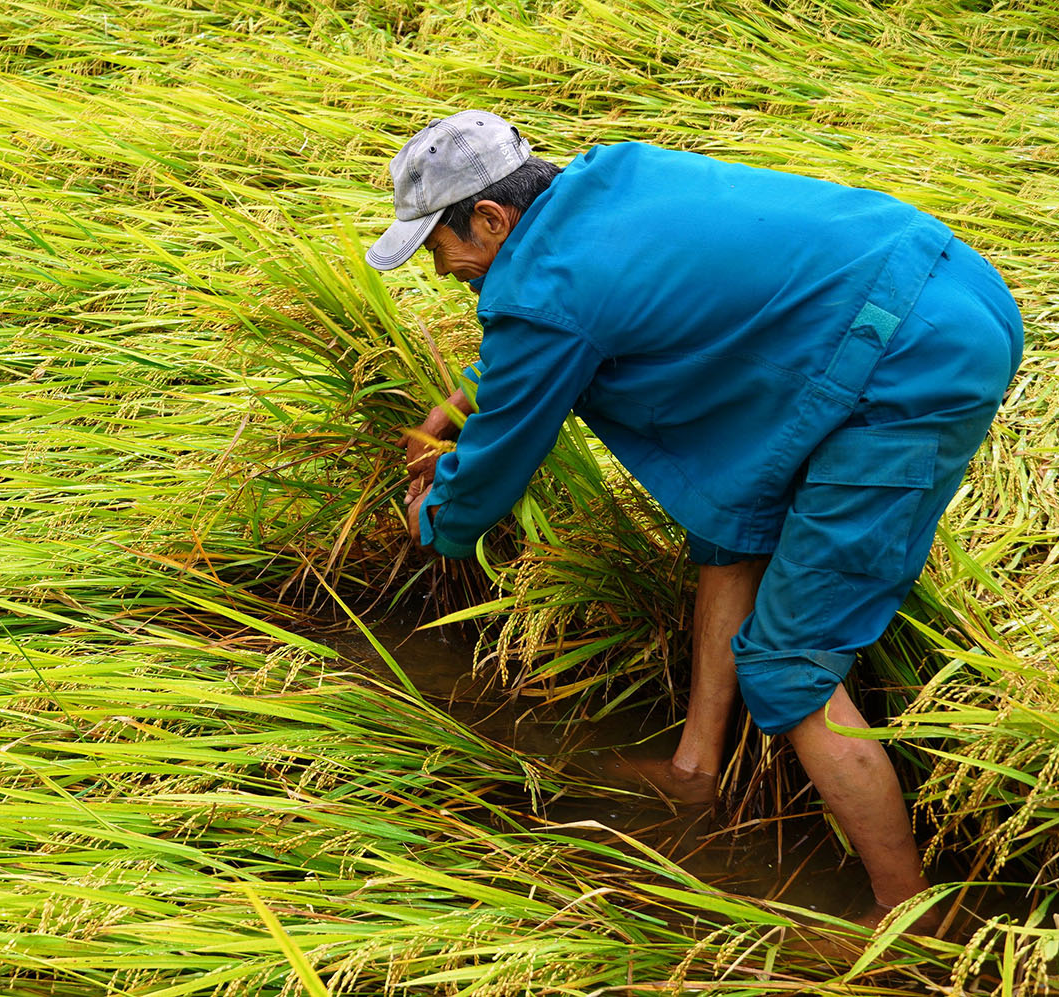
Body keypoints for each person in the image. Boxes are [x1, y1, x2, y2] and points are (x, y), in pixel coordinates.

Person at [363, 110, 1024, 934]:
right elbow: (583, 313)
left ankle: (910, 923)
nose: (441, 269)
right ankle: (693, 771)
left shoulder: (551, 290)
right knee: (731, 524)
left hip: (912, 362)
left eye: (437, 247)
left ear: (492, 219)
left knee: (789, 667)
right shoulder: (607, 182)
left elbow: (489, 475)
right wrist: (464, 396)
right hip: (938, 285)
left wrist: (435, 514)